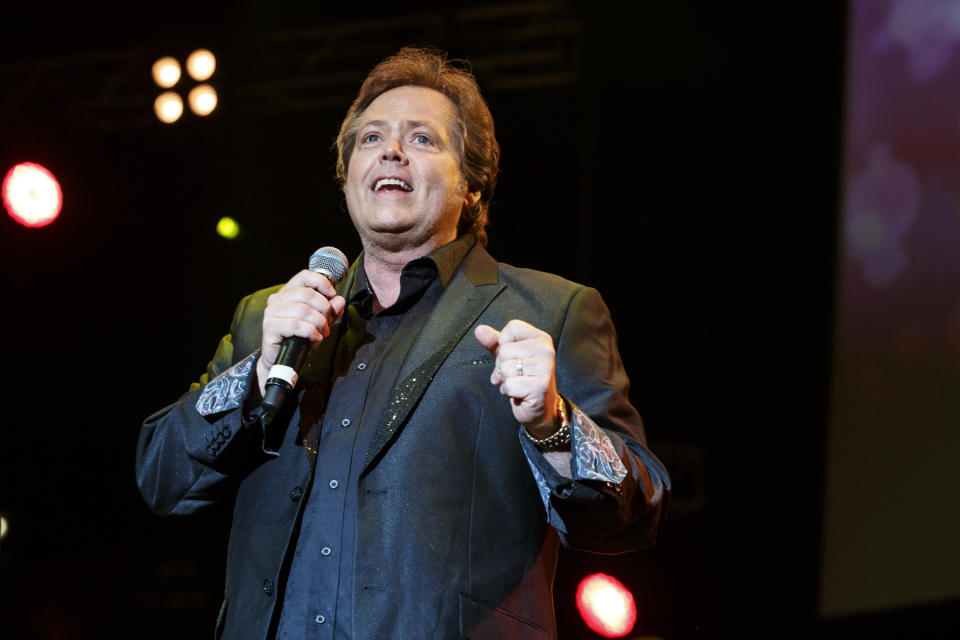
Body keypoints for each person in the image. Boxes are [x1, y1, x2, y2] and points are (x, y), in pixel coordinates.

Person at [136, 47, 669, 640]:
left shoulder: (550, 310)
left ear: (471, 183)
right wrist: (257, 372)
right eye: (370, 139)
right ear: (348, 180)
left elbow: (634, 516)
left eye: (422, 139)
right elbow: (163, 481)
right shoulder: (270, 316)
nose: (390, 150)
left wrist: (554, 424)